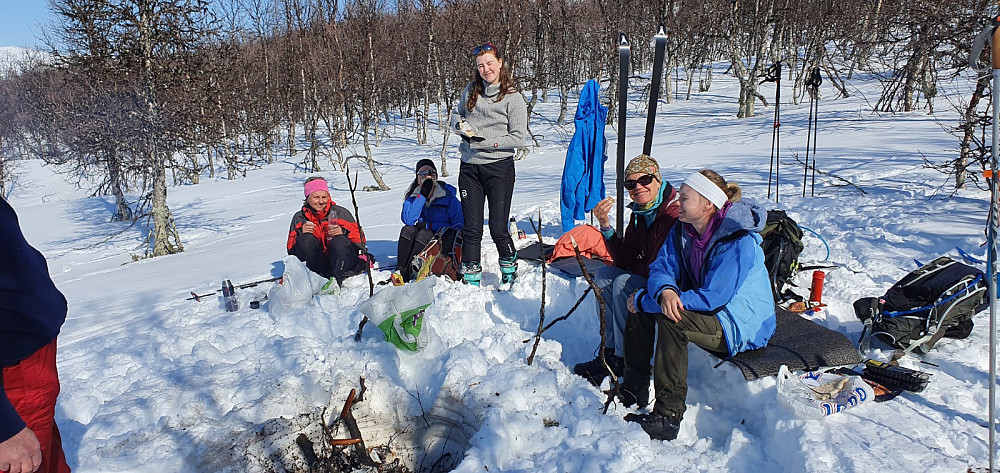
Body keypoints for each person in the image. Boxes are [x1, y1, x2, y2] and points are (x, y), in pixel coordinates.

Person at [620, 170, 776, 441]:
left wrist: (656, 301)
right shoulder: (684, 228)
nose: (677, 203)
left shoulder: (737, 241)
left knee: (671, 317)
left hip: (739, 324)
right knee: (640, 299)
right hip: (710, 311)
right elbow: (662, 266)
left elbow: (714, 297)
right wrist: (665, 290)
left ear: (707, 204)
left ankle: (668, 416)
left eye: (684, 198)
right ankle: (634, 387)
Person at [572, 155, 679, 386]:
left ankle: (624, 358)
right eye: (630, 183)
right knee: (604, 276)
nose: (638, 187)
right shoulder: (642, 212)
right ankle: (609, 352)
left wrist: (634, 266)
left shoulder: (672, 213)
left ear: (658, 179)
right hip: (655, 275)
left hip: (672, 281)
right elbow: (623, 258)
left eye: (645, 179)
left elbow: (659, 263)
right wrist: (605, 225)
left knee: (622, 283)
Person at [1, 197, 72, 473]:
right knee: (26, 460)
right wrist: (5, 428)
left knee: (45, 458)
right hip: (12, 373)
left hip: (29, 354)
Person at [451, 42, 527, 287]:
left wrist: (486, 142)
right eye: (481, 65)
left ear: (500, 63)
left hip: (499, 168)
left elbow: (517, 137)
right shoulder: (472, 90)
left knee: (497, 226)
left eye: (490, 63)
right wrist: (460, 127)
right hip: (470, 167)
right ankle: (471, 277)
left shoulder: (513, 98)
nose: (486, 69)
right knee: (471, 227)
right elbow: (456, 115)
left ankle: (508, 268)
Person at [286, 177, 365, 286]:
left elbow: (361, 242)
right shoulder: (299, 218)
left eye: (324, 197)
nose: (321, 201)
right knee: (305, 239)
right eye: (316, 197)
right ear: (307, 198)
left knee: (340, 241)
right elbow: (291, 250)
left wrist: (343, 232)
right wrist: (300, 232)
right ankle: (313, 278)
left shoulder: (341, 213)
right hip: (319, 262)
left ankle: (336, 281)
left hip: (342, 261)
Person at [397, 158, 463, 282]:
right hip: (421, 237)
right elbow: (408, 220)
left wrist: (429, 226)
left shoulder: (448, 197)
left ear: (436, 176)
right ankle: (401, 270)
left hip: (441, 238)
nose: (426, 176)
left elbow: (459, 224)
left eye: (430, 173)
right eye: (422, 174)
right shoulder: (414, 196)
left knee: (424, 233)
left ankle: (411, 270)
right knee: (407, 230)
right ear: (417, 178)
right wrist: (421, 196)